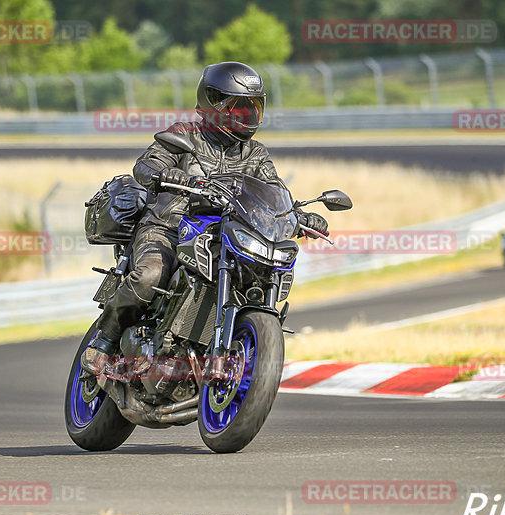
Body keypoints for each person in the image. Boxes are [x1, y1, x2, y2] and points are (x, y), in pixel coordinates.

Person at [82, 61, 328, 374]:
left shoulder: (255, 153)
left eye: (253, 108)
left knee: (257, 275)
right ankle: (105, 340)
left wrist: (299, 215)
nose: (247, 117)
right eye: (238, 109)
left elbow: (274, 188)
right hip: (167, 228)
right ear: (213, 102)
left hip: (223, 234)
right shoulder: (185, 135)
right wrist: (166, 173)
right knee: (149, 276)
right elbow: (145, 166)